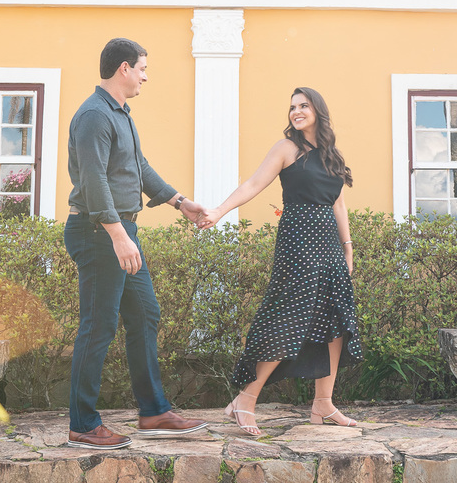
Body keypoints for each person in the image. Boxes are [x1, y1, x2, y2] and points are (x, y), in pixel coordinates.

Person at [64, 37, 213, 449]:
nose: (146, 76)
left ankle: (154, 411)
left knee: (146, 313)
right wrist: (116, 235)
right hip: (100, 234)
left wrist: (180, 201)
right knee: (98, 327)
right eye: (143, 68)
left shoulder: (121, 114)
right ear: (124, 68)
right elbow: (93, 183)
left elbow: (138, 168)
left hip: (120, 232)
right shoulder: (95, 116)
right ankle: (83, 423)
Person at [201, 87, 362, 435]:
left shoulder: (331, 155)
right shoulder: (287, 148)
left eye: (303, 105)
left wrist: (347, 248)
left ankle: (323, 402)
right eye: (292, 107)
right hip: (299, 240)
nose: (296, 111)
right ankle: (246, 398)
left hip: (329, 245)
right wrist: (219, 211)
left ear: (318, 110)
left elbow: (338, 204)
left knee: (335, 317)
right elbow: (254, 183)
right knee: (289, 318)